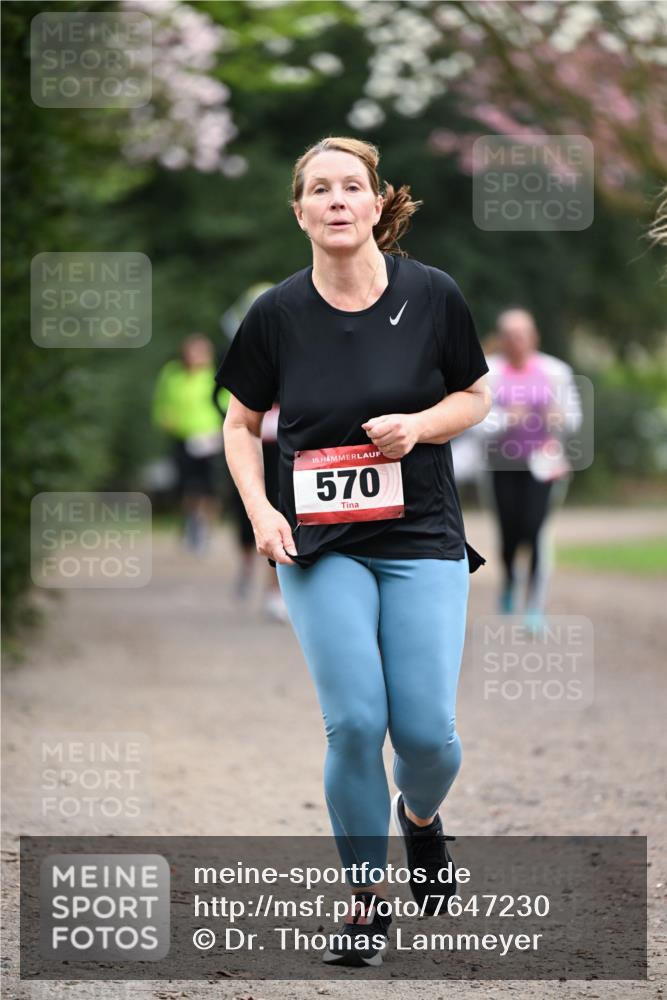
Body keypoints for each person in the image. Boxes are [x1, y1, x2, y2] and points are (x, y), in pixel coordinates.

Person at [216, 136, 491, 967]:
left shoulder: (433, 295)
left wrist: (418, 427)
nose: (337, 200)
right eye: (319, 190)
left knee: (428, 736)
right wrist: (261, 510)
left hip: (421, 535)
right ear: (299, 212)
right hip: (317, 542)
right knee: (355, 723)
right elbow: (239, 424)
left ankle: (420, 818)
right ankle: (364, 907)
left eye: (351, 188)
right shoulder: (276, 313)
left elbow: (475, 397)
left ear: (377, 206)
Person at [476, 308, 582, 629]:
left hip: (543, 464)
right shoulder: (488, 372)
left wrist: (559, 418)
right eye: (510, 335)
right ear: (502, 339)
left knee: (536, 529)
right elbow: (474, 422)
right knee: (509, 532)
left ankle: (535, 607)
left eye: (523, 334)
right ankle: (509, 579)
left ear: (533, 337)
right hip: (501, 465)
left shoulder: (556, 371)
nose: (517, 340)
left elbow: (574, 418)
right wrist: (509, 418)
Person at [152, 334, 224, 553]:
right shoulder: (172, 374)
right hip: (182, 438)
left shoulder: (215, 375)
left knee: (209, 487)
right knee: (185, 485)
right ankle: (190, 523)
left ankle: (205, 531)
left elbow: (227, 402)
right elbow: (161, 402)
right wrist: (164, 419)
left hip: (209, 438)